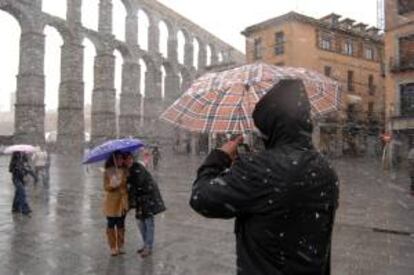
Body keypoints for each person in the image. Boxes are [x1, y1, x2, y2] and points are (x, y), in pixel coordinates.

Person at [189, 80, 339, 275]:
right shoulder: (326, 169)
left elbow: (201, 197)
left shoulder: (258, 169)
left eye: (262, 128)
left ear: (271, 125)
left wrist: (219, 157)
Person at [124, 152, 166, 258]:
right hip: (140, 201)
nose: (128, 161)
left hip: (148, 199)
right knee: (140, 223)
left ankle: (148, 247)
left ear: (132, 159)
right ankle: (146, 244)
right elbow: (131, 189)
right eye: (126, 159)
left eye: (130, 158)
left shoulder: (137, 168)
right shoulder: (129, 171)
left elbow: (139, 183)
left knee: (149, 223)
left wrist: (127, 179)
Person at [103, 152, 128, 256]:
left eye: (122, 159)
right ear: (114, 160)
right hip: (112, 202)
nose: (121, 160)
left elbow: (127, 185)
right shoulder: (107, 172)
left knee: (121, 224)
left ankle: (121, 246)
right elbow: (105, 187)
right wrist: (112, 185)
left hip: (122, 201)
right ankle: (113, 247)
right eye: (118, 159)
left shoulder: (125, 171)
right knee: (111, 224)